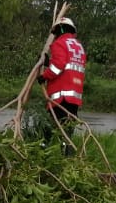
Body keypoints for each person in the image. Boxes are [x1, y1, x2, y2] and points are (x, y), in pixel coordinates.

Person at [37, 16, 87, 153]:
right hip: (74, 98)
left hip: (60, 97)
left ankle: (42, 155)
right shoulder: (78, 47)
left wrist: (44, 76)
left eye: (55, 32)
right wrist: (48, 63)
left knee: (48, 128)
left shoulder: (59, 43)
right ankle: (67, 159)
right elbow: (68, 66)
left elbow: (58, 66)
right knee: (67, 132)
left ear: (60, 29)